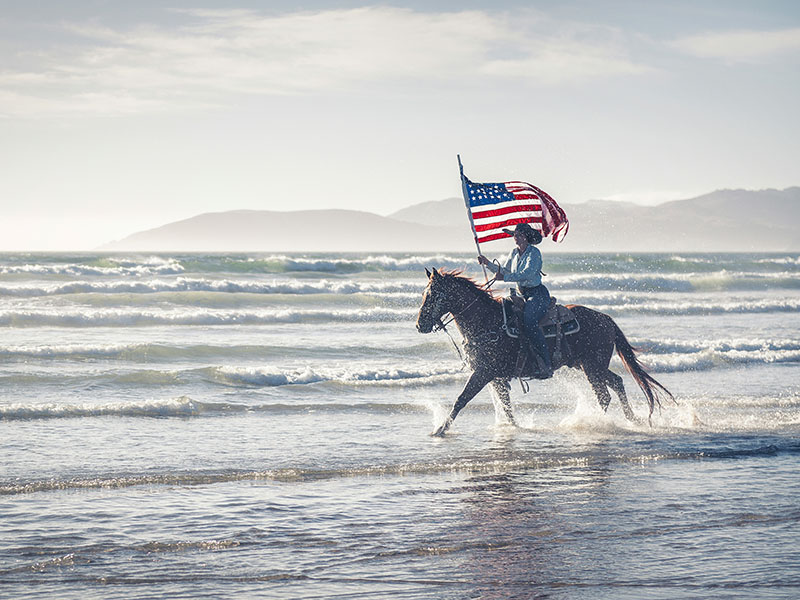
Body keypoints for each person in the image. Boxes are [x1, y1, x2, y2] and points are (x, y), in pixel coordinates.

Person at [478, 222, 553, 377]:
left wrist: (504, 277)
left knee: (530, 321)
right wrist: (487, 263)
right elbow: (505, 270)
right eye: (514, 235)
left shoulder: (534, 253)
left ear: (526, 237)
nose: (515, 238)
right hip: (521, 294)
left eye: (518, 235)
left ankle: (546, 363)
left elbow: (527, 273)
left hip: (537, 294)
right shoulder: (514, 252)